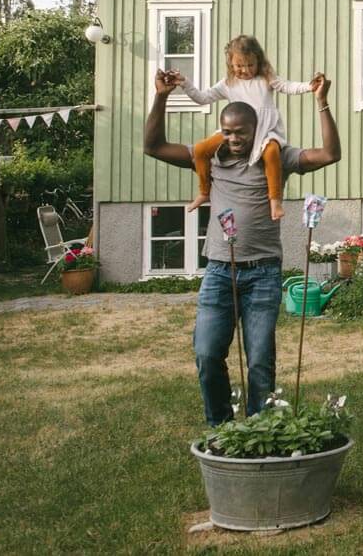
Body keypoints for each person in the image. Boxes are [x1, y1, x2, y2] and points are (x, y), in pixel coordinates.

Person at [143, 68, 340, 426]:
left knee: (260, 360)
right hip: (219, 271)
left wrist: (322, 103)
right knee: (206, 353)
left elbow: (329, 154)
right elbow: (153, 146)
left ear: (257, 131)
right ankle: (222, 427)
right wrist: (161, 96)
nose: (234, 139)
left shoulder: (275, 156)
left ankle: (261, 429)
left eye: (241, 133)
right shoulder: (210, 158)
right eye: (227, 132)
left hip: (263, 272)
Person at [176, 34, 323, 221]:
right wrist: (185, 83)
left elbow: (288, 86)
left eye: (250, 65)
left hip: (264, 131)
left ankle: (275, 201)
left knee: (271, 153)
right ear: (231, 64)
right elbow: (202, 98)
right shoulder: (228, 84)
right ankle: (205, 191)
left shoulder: (265, 79)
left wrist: (309, 86)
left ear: (258, 61)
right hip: (234, 133)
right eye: (239, 66)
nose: (245, 70)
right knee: (200, 150)